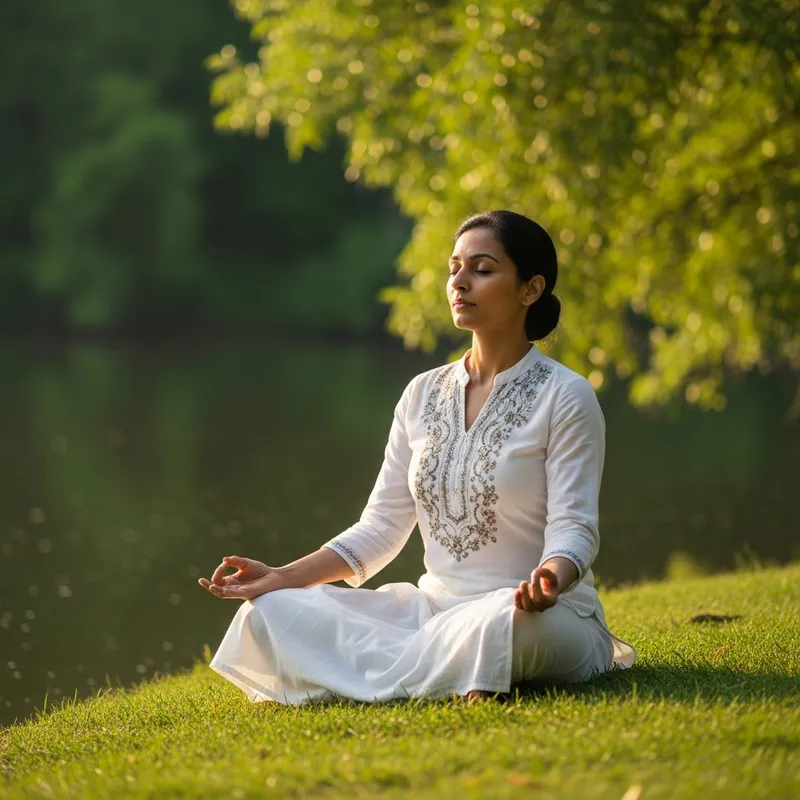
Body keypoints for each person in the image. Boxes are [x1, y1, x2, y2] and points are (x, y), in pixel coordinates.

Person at [198, 209, 637, 704]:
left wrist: (550, 582)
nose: (460, 282)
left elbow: (575, 528)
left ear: (530, 289)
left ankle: (439, 665)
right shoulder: (422, 393)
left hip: (536, 615)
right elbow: (381, 527)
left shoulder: (566, 394)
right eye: (454, 269)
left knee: (498, 626)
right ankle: (451, 668)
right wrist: (281, 576)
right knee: (272, 611)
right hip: (434, 610)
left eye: (482, 269)